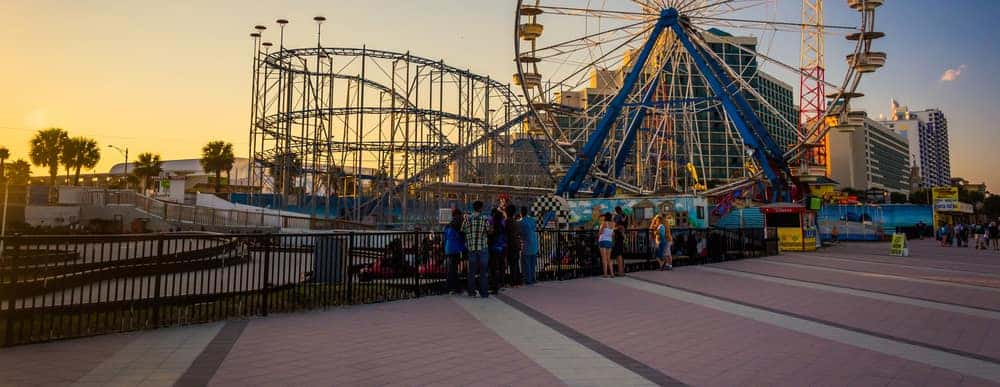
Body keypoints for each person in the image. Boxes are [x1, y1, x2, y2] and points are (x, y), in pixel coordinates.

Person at [462, 201, 490, 298]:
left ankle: (471, 292)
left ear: (473, 208)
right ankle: (484, 292)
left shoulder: (467, 219)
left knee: (472, 271)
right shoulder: (485, 218)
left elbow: (463, 230)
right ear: (481, 208)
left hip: (471, 247)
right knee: (483, 271)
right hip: (482, 247)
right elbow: (489, 230)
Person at [443, 208, 465, 294]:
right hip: (456, 250)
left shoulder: (448, 225)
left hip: (448, 248)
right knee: (452, 270)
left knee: (452, 269)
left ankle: (456, 287)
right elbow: (461, 239)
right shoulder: (459, 225)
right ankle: (449, 288)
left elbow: (445, 238)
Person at [488, 208, 508, 293]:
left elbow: (490, 235)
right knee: (501, 266)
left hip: (494, 248)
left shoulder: (493, 225)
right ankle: (501, 282)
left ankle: (494, 286)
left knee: (493, 268)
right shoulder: (503, 225)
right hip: (503, 247)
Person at [519, 207, 539, 285]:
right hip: (534, 244)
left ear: (521, 213)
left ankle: (528, 279)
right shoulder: (532, 220)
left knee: (526, 264)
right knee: (533, 264)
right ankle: (533, 278)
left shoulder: (521, 222)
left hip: (526, 245)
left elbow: (520, 233)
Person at [505, 204, 523, 287]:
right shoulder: (515, 221)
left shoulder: (507, 221)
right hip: (516, 244)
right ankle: (517, 280)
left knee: (512, 263)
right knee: (515, 263)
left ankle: (513, 281)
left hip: (510, 244)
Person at [612, 206, 629, 276]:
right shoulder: (624, 217)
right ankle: (621, 271)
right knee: (620, 255)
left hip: (618, 237)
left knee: (618, 255)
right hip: (622, 237)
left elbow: (616, 226)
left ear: (616, 211)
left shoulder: (617, 217)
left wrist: (613, 228)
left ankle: (620, 271)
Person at [598, 213, 615, 278]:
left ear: (605, 217)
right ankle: (612, 273)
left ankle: (605, 274)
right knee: (609, 258)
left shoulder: (604, 223)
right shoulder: (613, 224)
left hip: (602, 240)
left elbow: (600, 232)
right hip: (609, 241)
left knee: (604, 258)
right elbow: (613, 233)